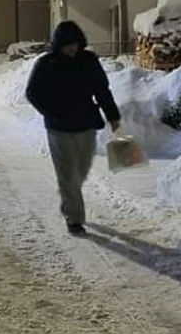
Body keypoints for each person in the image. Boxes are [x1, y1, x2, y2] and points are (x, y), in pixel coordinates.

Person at [25, 21, 121, 236]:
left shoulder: (89, 61)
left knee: (81, 170)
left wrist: (113, 115)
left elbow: (102, 90)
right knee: (67, 173)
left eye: (75, 44)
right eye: (67, 45)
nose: (72, 48)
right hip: (59, 127)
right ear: (59, 45)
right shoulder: (46, 64)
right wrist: (50, 112)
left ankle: (68, 202)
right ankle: (75, 218)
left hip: (86, 124)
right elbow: (32, 93)